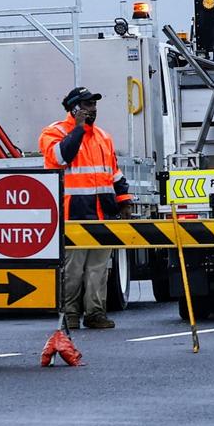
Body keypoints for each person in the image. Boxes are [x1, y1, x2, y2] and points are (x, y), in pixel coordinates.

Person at [40, 86, 133, 330]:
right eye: (88, 104)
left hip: (102, 212)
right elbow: (60, 158)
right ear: (74, 108)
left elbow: (113, 172)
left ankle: (95, 313)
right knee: (73, 269)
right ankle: (70, 314)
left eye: (94, 104)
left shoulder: (103, 136)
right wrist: (79, 129)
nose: (93, 109)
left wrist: (124, 201)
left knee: (98, 269)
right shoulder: (54, 132)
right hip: (73, 214)